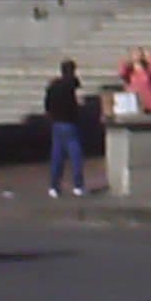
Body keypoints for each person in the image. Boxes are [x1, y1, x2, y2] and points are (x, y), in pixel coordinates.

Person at [43, 59, 87, 199]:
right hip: (70, 123)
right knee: (75, 155)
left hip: (57, 123)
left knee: (57, 156)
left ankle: (54, 187)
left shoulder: (54, 85)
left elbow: (47, 105)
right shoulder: (71, 84)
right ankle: (78, 186)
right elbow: (76, 85)